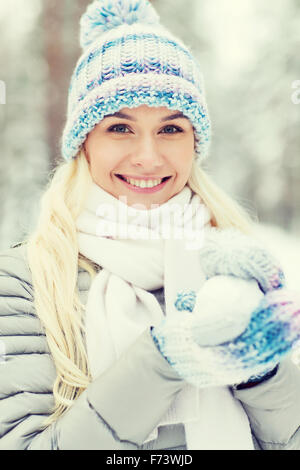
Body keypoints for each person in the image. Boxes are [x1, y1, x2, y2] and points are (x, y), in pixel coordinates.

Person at [0, 0, 300, 451]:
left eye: (171, 129)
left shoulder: (231, 262)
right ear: (84, 144)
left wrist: (259, 368)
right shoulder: (24, 281)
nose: (148, 156)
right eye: (120, 128)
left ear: (194, 144)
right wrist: (163, 359)